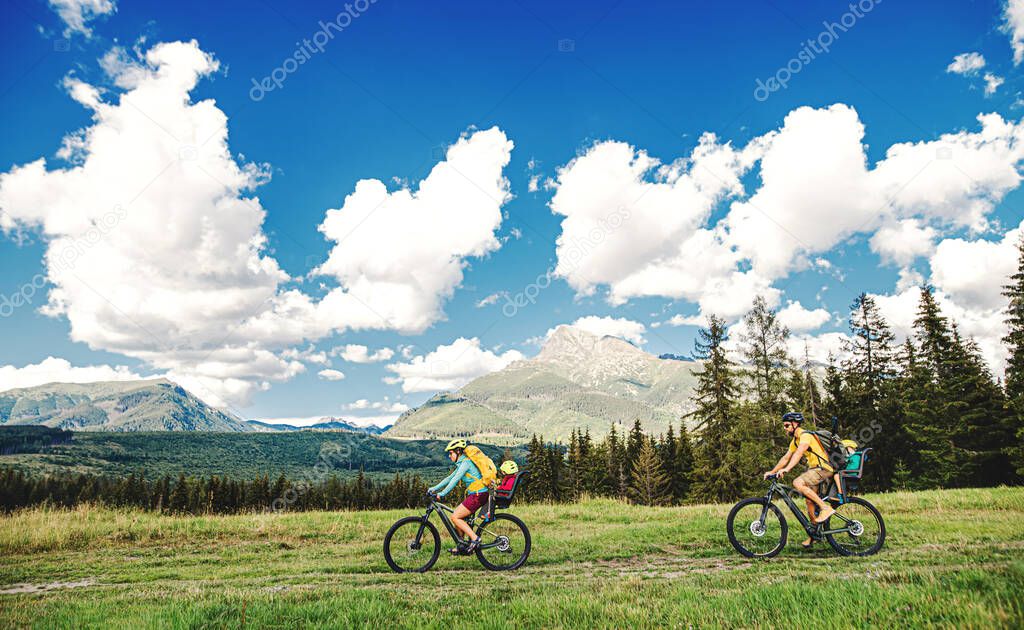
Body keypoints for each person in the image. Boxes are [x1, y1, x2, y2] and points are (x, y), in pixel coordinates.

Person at [763, 412, 836, 548]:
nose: (785, 428)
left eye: (786, 425)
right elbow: (786, 457)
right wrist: (772, 472)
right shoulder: (795, 441)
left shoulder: (805, 436)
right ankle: (814, 534)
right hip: (814, 470)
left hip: (823, 468)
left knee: (797, 483)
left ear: (795, 424)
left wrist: (787, 469)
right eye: (784, 426)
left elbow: (799, 453)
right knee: (809, 502)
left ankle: (826, 508)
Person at [428, 439, 489, 554]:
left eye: (451, 453)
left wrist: (442, 494)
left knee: (455, 517)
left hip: (478, 494)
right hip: (476, 494)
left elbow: (455, 480)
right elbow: (449, 478)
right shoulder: (462, 463)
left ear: (458, 451)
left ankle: (476, 539)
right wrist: (434, 488)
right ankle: (461, 546)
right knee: (458, 517)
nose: (449, 456)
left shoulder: (465, 463)